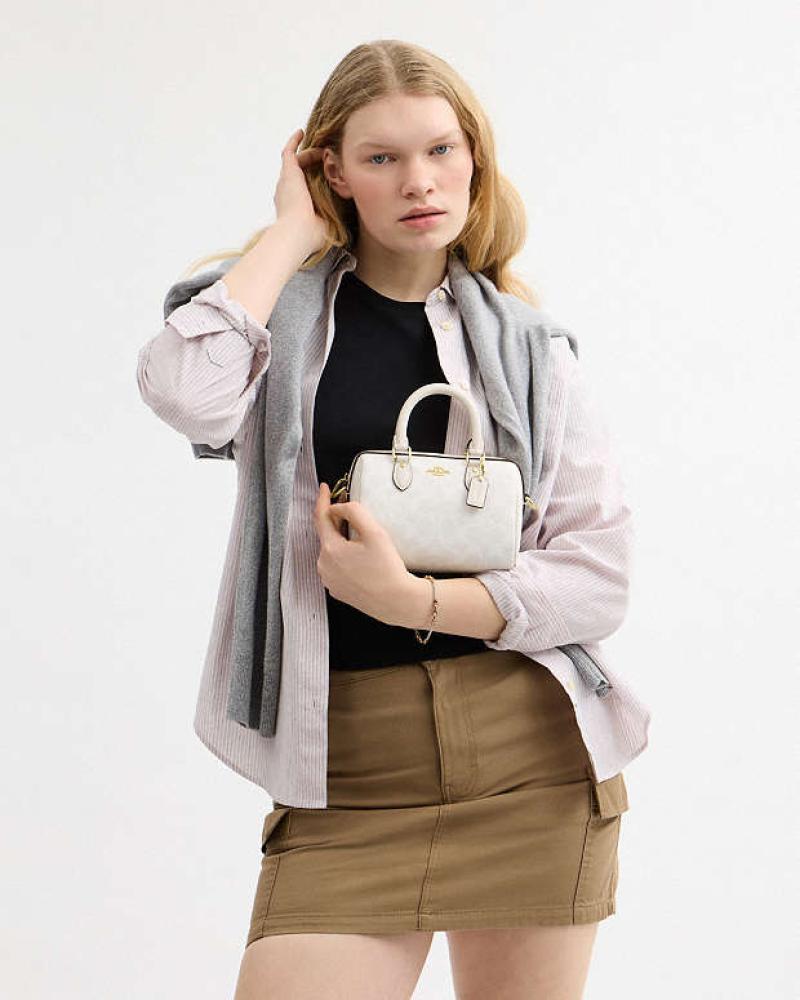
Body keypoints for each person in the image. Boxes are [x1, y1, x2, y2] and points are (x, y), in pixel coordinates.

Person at [137, 39, 649, 1000]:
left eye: (441, 150)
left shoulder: (530, 350)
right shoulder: (277, 324)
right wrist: (290, 231)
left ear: (474, 159)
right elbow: (183, 392)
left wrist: (411, 599)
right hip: (349, 770)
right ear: (332, 170)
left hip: (530, 759)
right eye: (381, 157)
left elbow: (599, 574)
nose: (419, 181)